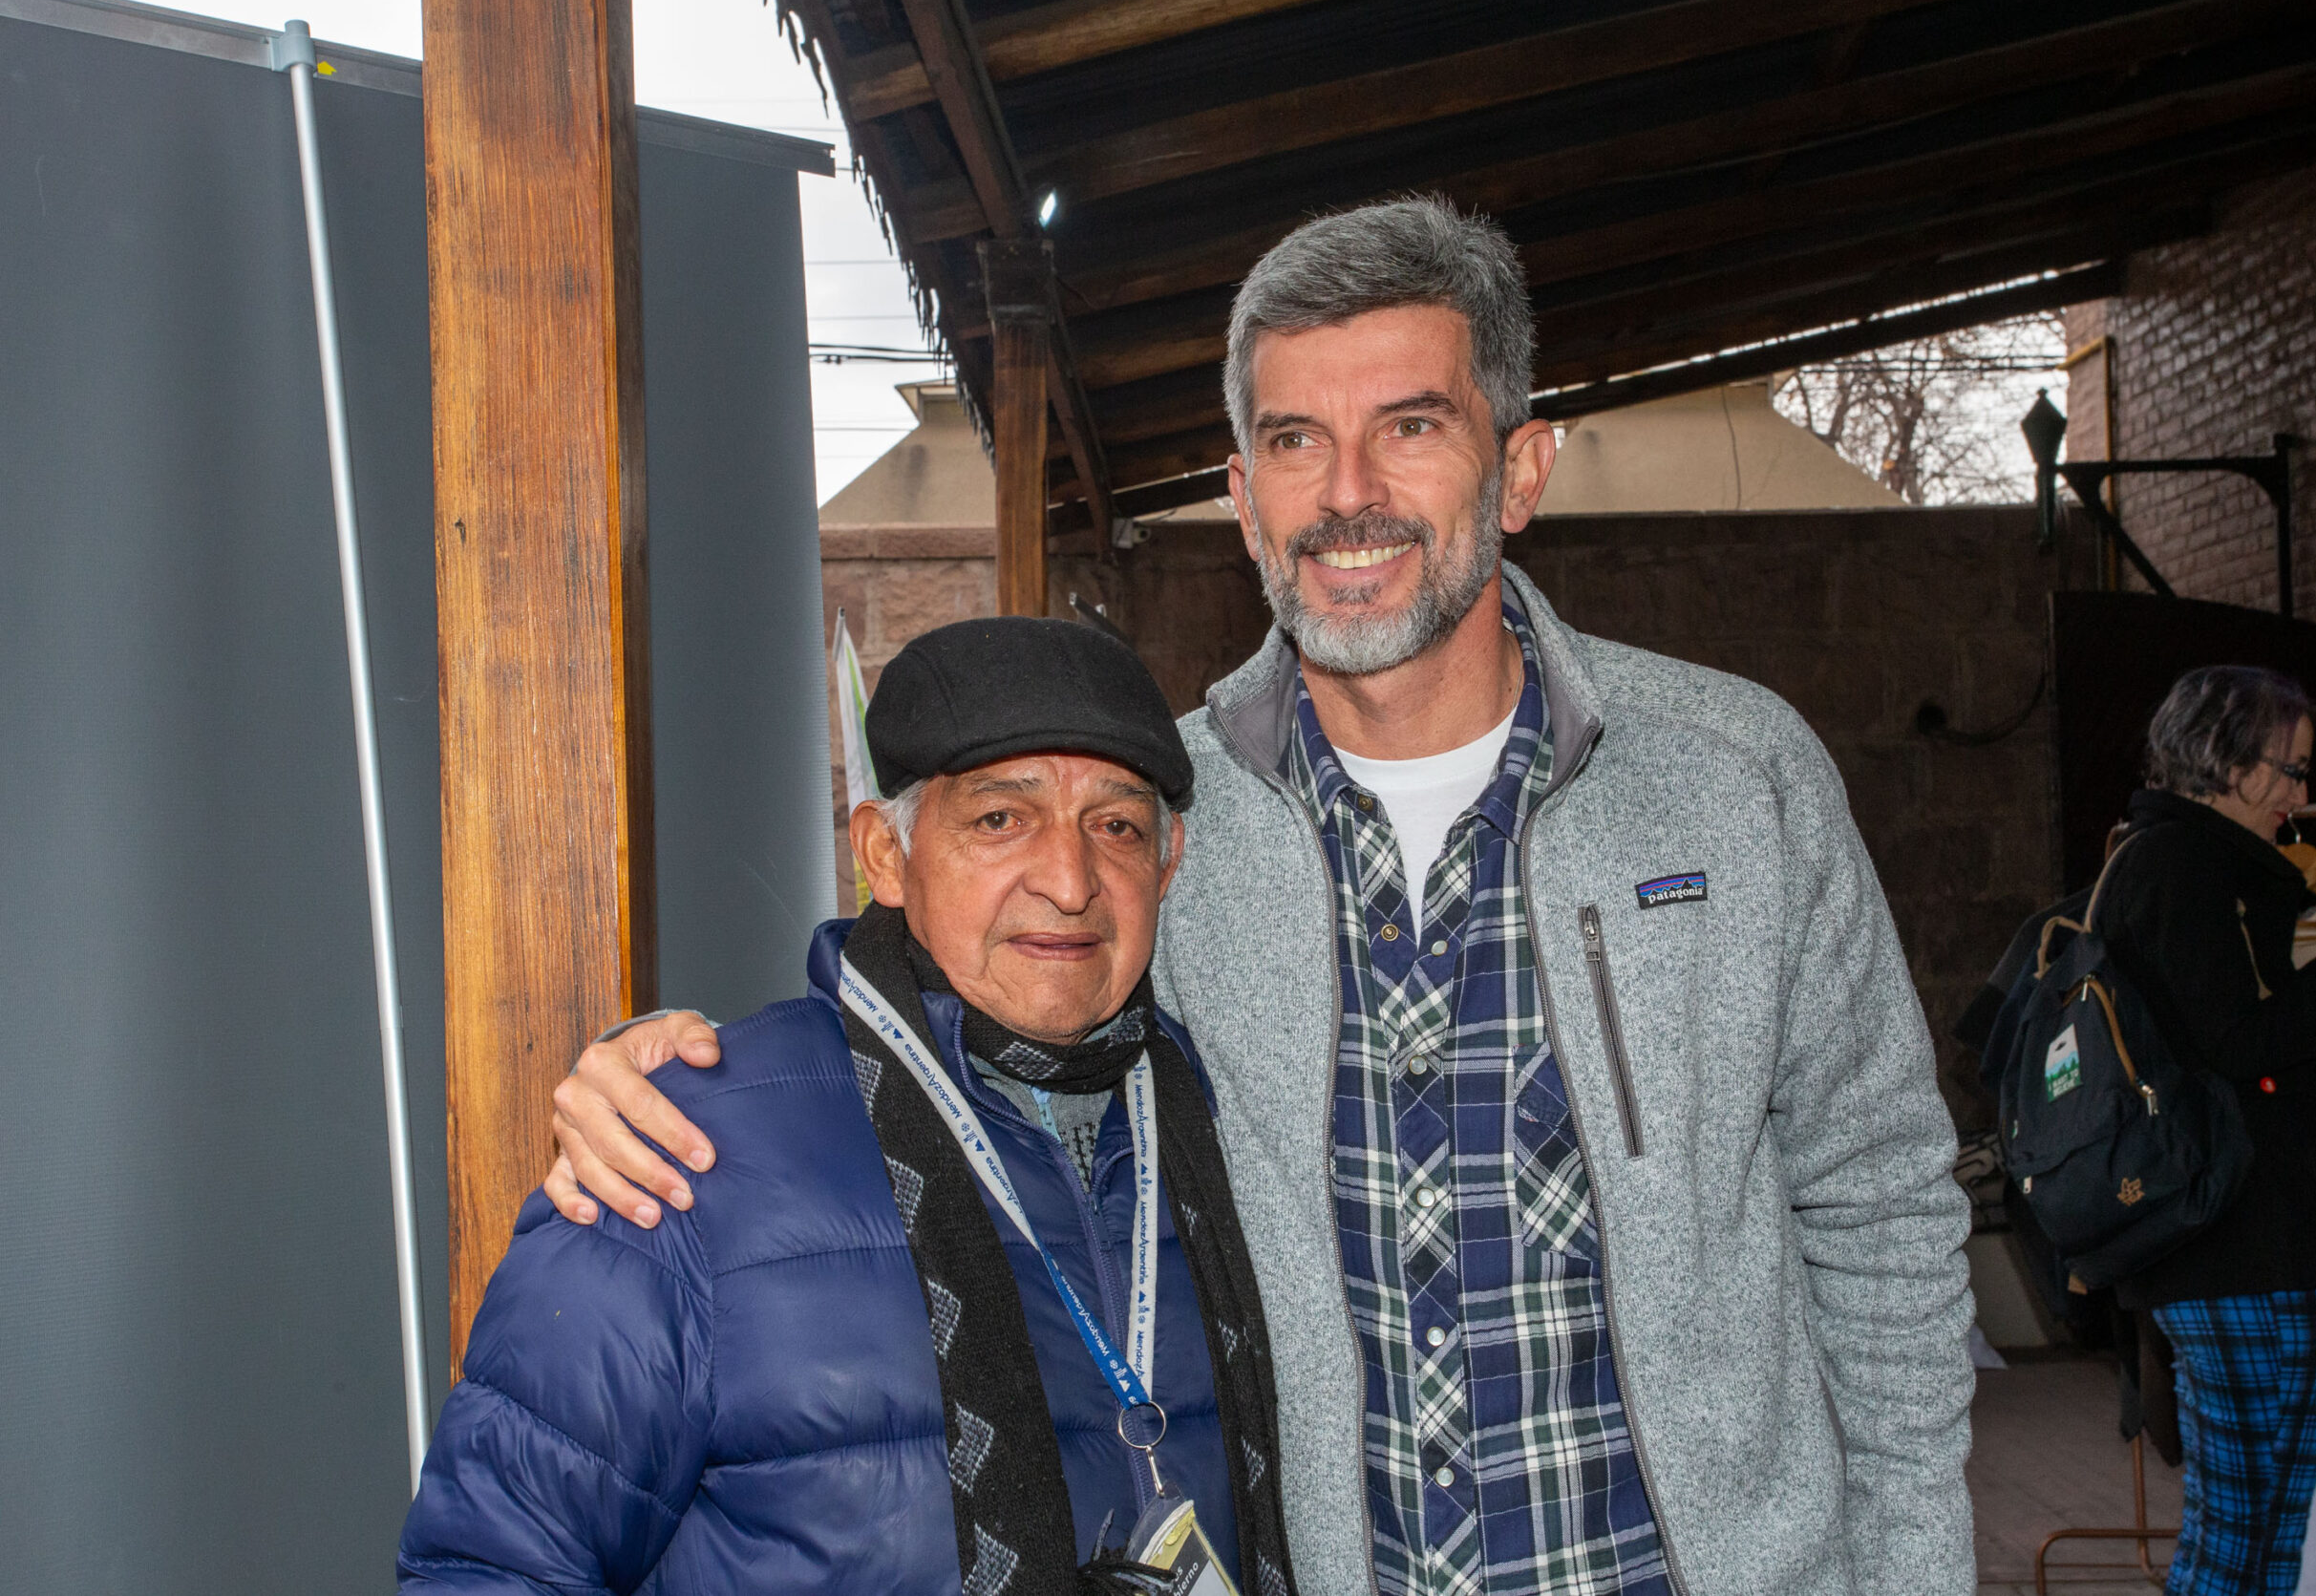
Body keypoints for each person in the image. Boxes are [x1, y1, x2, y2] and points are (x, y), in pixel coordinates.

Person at [552, 197, 1976, 1594]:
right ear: (1243, 498)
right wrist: (678, 1077)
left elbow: (1880, 1208)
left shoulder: (1736, 778)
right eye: (1296, 439)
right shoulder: (1155, 824)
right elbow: (946, 1013)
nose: (1346, 492)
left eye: (1410, 426)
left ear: (1519, 470)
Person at [398, 618, 1296, 1596]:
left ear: (1167, 863)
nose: (1070, 881)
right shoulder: (682, 1153)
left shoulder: (1229, 1125)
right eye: (1001, 818)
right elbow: (491, 1567)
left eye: (1115, 826)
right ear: (886, 854)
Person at [2091, 665, 2316, 1596]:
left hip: (2254, 1244)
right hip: (2235, 1249)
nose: (2299, 797)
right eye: (2289, 771)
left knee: (2268, 1540)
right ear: (2228, 763)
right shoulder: (2181, 867)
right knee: (2236, 1543)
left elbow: (2235, 1034)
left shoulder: (2187, 863)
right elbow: (2236, 1043)